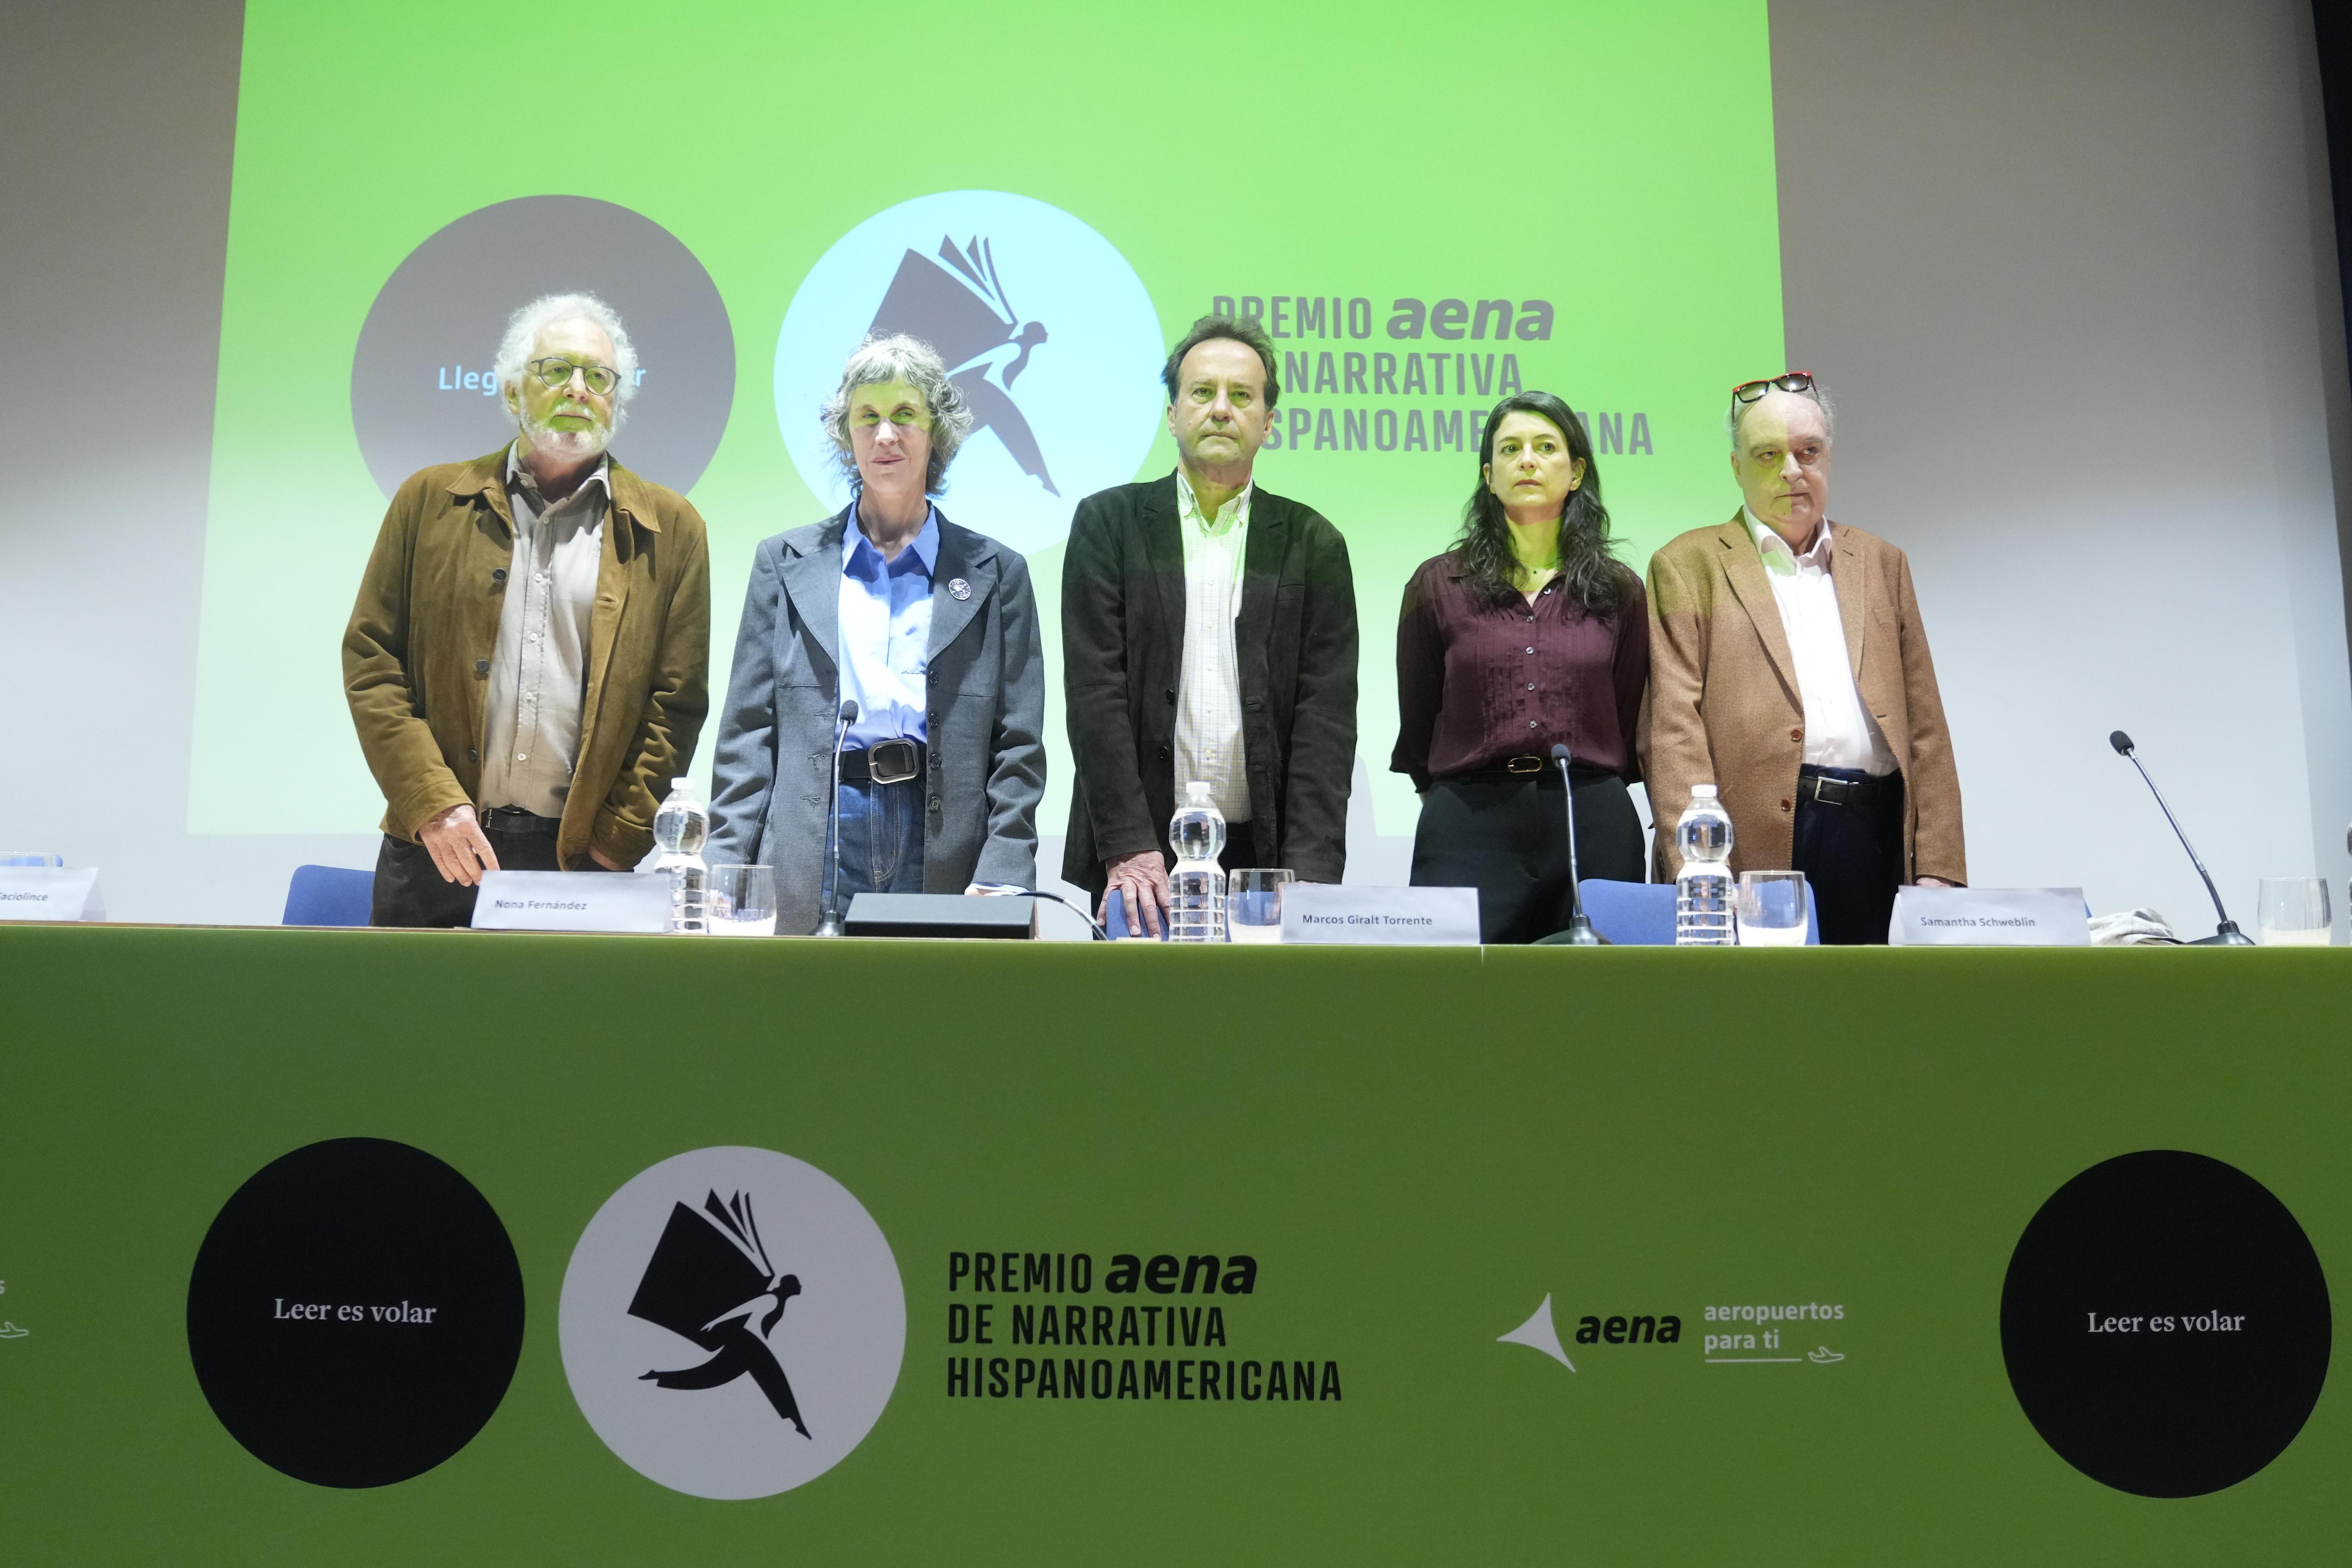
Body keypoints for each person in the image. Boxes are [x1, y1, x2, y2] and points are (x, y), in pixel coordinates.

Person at [343, 292, 709, 927]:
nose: (578, 388)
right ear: (512, 391)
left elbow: (673, 705)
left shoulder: (671, 527)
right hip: (434, 847)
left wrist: (615, 844)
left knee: (568, 1033)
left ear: (615, 400)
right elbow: (372, 664)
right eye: (555, 370)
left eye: (598, 376)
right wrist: (432, 805)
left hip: (579, 863)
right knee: (409, 1029)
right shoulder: (428, 502)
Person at [708, 334, 1045, 932]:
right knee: (811, 1012)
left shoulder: (998, 574)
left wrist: (1005, 866)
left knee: (929, 1013)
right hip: (820, 826)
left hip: (942, 834)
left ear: (936, 432)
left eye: (904, 415)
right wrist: (724, 865)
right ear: (847, 436)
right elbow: (747, 733)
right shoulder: (783, 563)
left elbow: (1017, 744)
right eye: (867, 417)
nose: (884, 435)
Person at [1641, 372, 1964, 944]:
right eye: (1767, 455)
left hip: (1873, 833)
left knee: (1870, 1020)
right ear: (1737, 467)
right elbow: (1671, 728)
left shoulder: (1882, 562)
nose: (1791, 470)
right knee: (1763, 1021)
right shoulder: (1686, 564)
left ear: (1828, 458)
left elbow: (1926, 726)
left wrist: (1938, 862)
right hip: (1748, 842)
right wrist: (1697, 862)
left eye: (1806, 451)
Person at [1063, 315, 1358, 935]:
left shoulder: (1312, 541)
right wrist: (1127, 846)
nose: (1220, 409)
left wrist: (1309, 872)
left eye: (1241, 395)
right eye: (1201, 392)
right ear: (1172, 413)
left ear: (1268, 421)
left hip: (1268, 865)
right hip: (1141, 861)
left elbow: (1325, 721)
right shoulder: (1107, 525)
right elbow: (1094, 695)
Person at [1392, 392, 1648, 944]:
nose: (1526, 460)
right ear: (1488, 475)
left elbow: (1628, 714)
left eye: (1544, 447)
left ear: (1576, 471)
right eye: (1509, 449)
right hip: (1468, 823)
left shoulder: (1619, 590)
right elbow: (1419, 716)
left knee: (1597, 1012)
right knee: (1459, 1007)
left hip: (1591, 822)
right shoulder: (1437, 585)